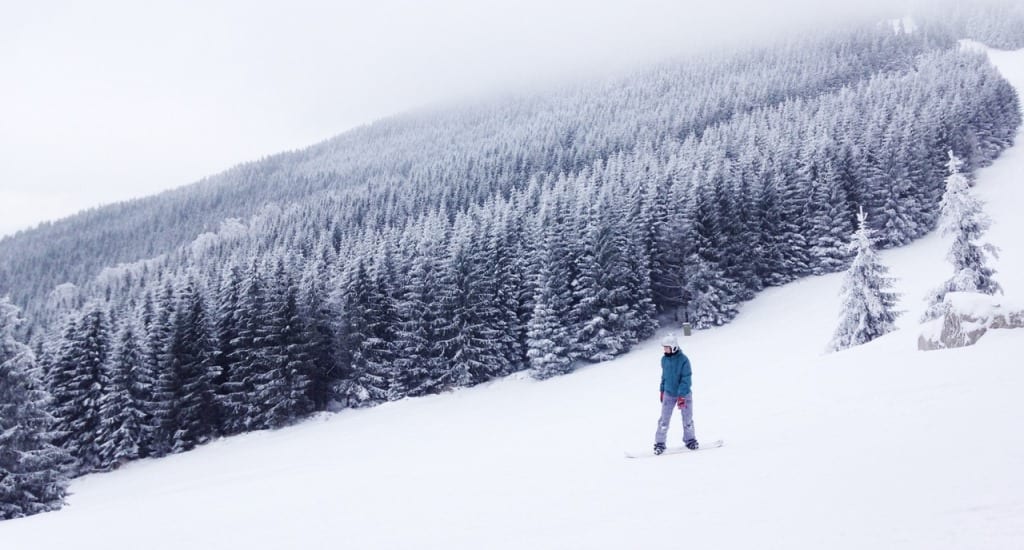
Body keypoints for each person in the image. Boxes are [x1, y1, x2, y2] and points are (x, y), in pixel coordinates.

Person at [654, 334, 697, 455]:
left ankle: (690, 440)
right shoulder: (664, 360)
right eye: (664, 348)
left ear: (673, 347)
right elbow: (664, 376)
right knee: (664, 420)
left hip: (684, 394)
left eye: (666, 347)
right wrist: (662, 390)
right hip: (669, 393)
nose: (664, 350)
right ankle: (660, 443)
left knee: (687, 419)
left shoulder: (684, 360)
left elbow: (686, 379)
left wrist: (682, 395)